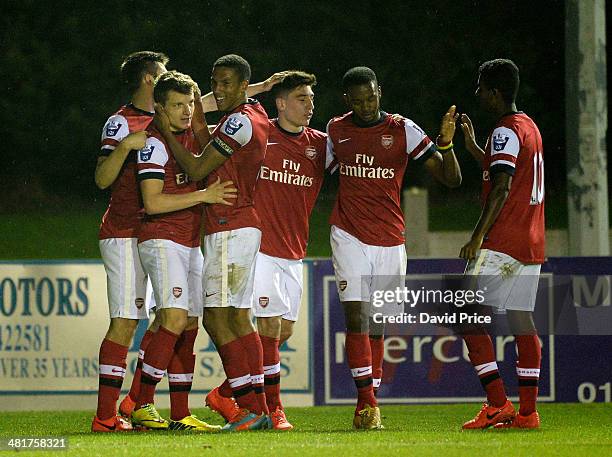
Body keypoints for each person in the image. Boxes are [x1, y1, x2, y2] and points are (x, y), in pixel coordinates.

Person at [326, 66, 461, 429]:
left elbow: (451, 178)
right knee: (356, 315)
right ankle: (366, 404)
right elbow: (313, 172)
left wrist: (446, 144)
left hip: (389, 239)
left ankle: (371, 401)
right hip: (348, 233)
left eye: (370, 98)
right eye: (358, 101)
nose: (366, 106)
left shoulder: (402, 130)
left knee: (378, 323)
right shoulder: (336, 130)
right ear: (347, 101)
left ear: (379, 92)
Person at [205, 71, 335, 430]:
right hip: (259, 245)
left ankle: (224, 393)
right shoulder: (259, 132)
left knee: (283, 332)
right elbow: (201, 112)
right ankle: (273, 409)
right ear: (280, 103)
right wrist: (256, 88)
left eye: (311, 98)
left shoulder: (321, 144)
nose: (309, 105)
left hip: (294, 250)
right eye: (301, 98)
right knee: (269, 327)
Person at [155, 54, 271, 431]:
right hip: (239, 224)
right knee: (238, 317)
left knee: (217, 319)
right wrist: (202, 123)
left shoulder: (239, 120)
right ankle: (261, 407)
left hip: (229, 224)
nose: (217, 90)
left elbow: (198, 168)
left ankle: (249, 406)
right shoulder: (250, 117)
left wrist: (167, 132)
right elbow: (213, 157)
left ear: (243, 85)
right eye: (214, 82)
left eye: (225, 84)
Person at [129, 70, 236, 432]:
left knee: (189, 324)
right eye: (177, 104)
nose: (186, 110)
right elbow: (152, 202)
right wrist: (204, 196)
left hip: (190, 242)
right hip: (161, 240)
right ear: (159, 108)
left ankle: (179, 413)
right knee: (173, 319)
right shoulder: (153, 144)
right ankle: (140, 403)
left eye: (189, 103)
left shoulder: (191, 137)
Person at [459, 59, 544, 430]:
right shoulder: (528, 127)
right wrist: (476, 148)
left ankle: (497, 404)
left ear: (494, 92)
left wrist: (477, 236)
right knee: (522, 321)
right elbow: (508, 170)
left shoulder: (505, 131)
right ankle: (528, 413)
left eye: (480, 87)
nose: (477, 93)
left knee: (464, 313)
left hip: (502, 240)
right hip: (531, 241)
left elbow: (502, 186)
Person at [92, 50, 168, 433]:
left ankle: (135, 401)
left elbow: (203, 102)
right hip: (124, 233)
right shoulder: (120, 122)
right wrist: (125, 146)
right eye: (165, 73)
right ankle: (105, 418)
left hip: (157, 234)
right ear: (149, 79)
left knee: (172, 318)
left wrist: (261, 86)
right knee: (125, 321)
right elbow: (102, 179)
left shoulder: (166, 118)